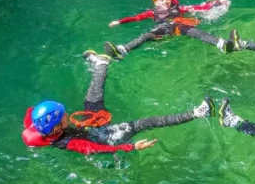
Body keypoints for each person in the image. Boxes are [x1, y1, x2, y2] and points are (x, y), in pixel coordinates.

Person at [23, 52, 213, 154]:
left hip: (90, 127)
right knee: (143, 123)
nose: (66, 114)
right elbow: (96, 148)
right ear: (56, 128)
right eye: (63, 116)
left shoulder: (39, 127)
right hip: (105, 137)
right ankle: (198, 113)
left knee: (92, 100)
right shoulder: (71, 143)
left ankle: (101, 64)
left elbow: (31, 112)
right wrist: (130, 147)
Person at [105, 0, 234, 59]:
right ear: (156, 2)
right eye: (161, 0)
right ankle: (122, 50)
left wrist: (215, 3)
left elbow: (198, 8)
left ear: (171, 0)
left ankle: (221, 44)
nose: (165, 2)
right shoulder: (151, 13)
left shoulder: (180, 9)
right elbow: (136, 18)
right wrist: (120, 21)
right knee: (146, 36)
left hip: (179, 28)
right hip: (163, 32)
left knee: (196, 32)